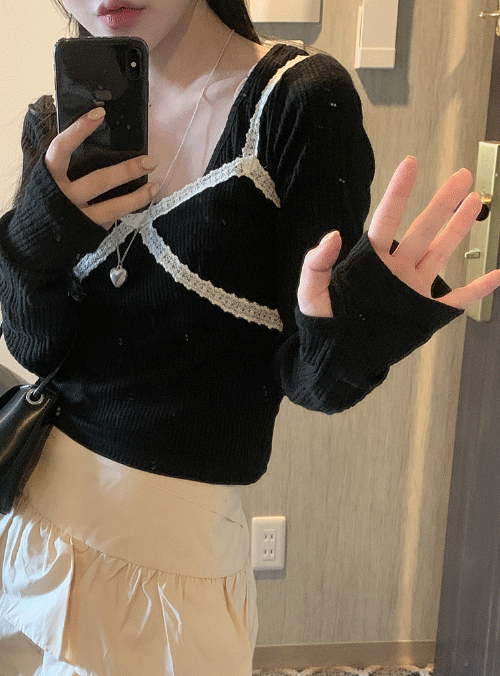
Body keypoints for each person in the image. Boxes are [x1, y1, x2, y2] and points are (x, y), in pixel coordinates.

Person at [0, 1, 498, 675]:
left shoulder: (298, 102)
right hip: (31, 520)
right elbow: (39, 351)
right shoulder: (56, 124)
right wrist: (31, 242)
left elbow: (310, 381)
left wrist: (357, 330)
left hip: (167, 569)